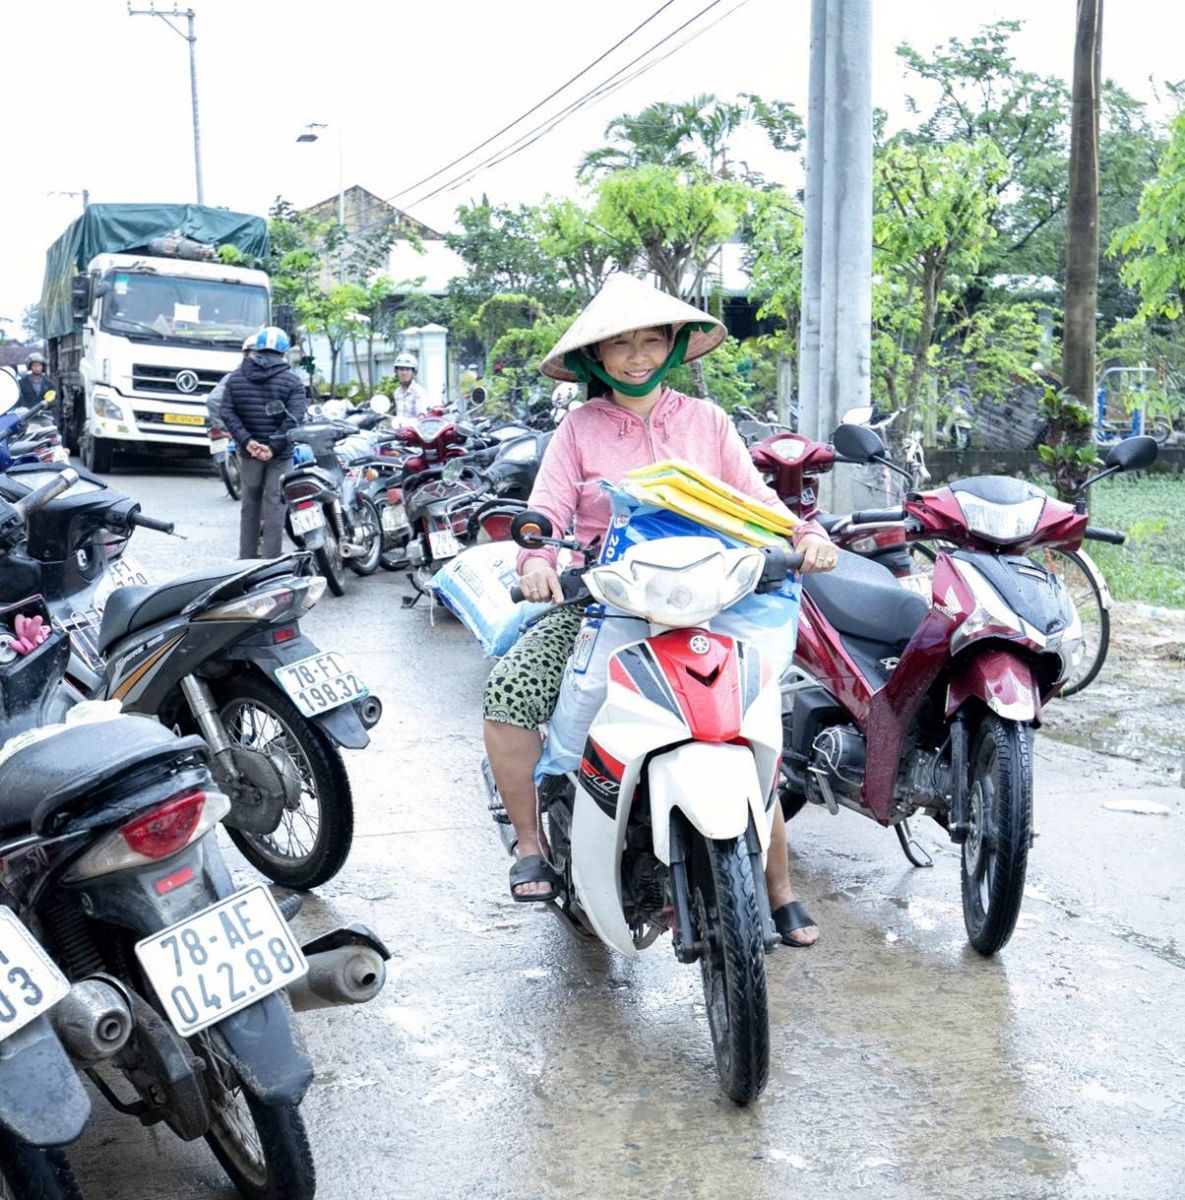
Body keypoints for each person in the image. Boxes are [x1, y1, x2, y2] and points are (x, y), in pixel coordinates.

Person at [482, 274, 838, 946]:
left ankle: (778, 886)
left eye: (651, 341)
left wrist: (803, 534)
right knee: (509, 691)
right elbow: (548, 509)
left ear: (673, 347)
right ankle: (529, 839)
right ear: (596, 359)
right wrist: (535, 562)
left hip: (706, 600)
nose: (637, 356)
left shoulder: (706, 421)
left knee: (746, 726)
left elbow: (754, 498)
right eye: (620, 346)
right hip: (604, 600)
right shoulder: (580, 429)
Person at [220, 327, 307, 558]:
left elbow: (227, 412)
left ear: (257, 348)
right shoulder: (293, 382)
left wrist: (248, 442)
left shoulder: (236, 377)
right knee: (274, 505)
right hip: (279, 455)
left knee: (250, 505)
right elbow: (296, 418)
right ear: (283, 351)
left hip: (249, 454)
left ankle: (246, 559)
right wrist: (273, 446)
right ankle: (271, 562)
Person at [18, 352, 60, 427]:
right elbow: (19, 398)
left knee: (51, 432)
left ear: (42, 367)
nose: (37, 368)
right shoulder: (22, 382)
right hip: (28, 417)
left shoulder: (48, 382)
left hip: (44, 416)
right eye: (35, 365)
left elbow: (55, 399)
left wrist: (48, 404)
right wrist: (25, 408)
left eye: (39, 365)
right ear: (30, 367)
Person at [392, 353, 427, 419]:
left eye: (408, 369)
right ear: (396, 371)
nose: (404, 373)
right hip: (400, 428)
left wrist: (420, 416)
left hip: (413, 428)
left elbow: (421, 415)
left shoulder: (418, 391)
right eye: (401, 369)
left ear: (413, 372)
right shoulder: (397, 392)